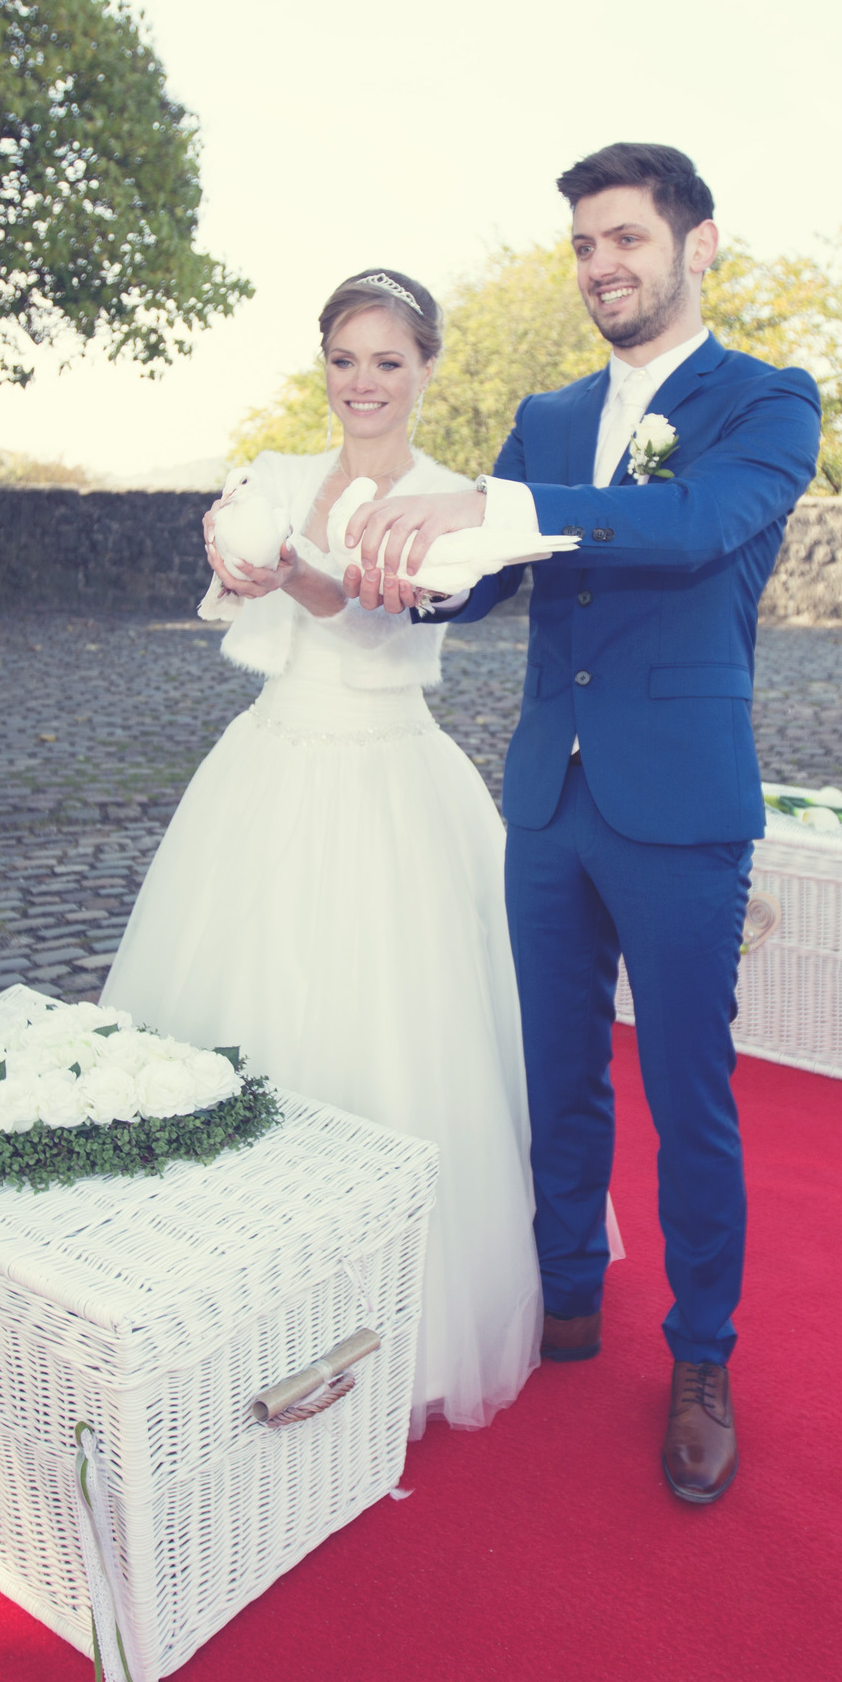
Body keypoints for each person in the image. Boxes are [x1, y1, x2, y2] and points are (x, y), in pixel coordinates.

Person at [341, 143, 821, 1505]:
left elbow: (687, 527)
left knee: (690, 1096)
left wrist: (494, 514)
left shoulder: (768, 402)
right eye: (583, 246)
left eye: (626, 237)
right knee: (555, 1072)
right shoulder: (549, 418)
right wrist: (398, 573)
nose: (603, 264)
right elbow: (478, 586)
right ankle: (562, 1295)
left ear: (697, 245)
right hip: (547, 796)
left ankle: (704, 1358)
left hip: (680, 806)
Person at [99, 268, 543, 1439]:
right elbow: (236, 589)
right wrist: (235, 549)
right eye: (344, 359)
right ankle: (215, 1284)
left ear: (426, 370)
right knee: (233, 1008)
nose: (363, 384)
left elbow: (382, 614)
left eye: (387, 362)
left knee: (399, 1027)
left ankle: (383, 1308)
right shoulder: (281, 477)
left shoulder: (455, 500)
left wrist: (296, 568)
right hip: (270, 762)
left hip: (393, 774)